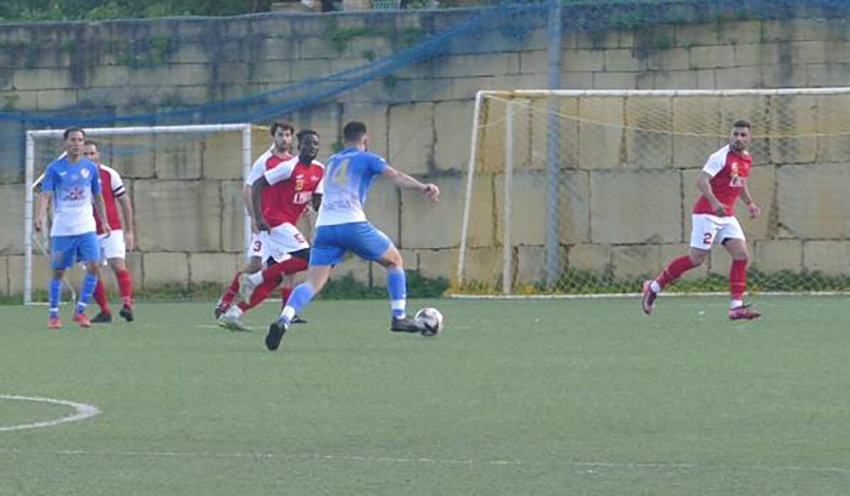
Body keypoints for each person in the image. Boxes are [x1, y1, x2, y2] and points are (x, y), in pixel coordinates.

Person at [264, 121, 441, 351]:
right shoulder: (369, 158)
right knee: (394, 261)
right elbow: (396, 176)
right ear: (365, 140)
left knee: (313, 283)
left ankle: (284, 319)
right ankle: (399, 317)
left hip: (324, 228)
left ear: (344, 140)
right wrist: (422, 187)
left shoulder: (332, 161)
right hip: (352, 224)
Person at [642, 120, 762, 320]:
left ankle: (736, 307)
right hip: (707, 213)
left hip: (727, 216)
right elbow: (701, 181)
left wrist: (749, 203)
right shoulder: (720, 157)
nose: (738, 138)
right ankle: (653, 287)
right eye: (735, 134)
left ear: (749, 138)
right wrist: (715, 203)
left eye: (743, 135)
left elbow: (739, 183)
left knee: (741, 255)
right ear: (730, 135)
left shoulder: (746, 159)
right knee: (696, 259)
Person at [218, 129, 324, 331]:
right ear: (299, 146)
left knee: (274, 278)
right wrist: (258, 217)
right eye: (308, 143)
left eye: (315, 144)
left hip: (287, 224)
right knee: (310, 258)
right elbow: (258, 184)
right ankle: (252, 280)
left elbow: (318, 201)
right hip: (274, 221)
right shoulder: (288, 167)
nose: (312, 148)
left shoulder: (319, 170)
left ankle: (234, 313)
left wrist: (322, 203)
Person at [214, 121, 297, 320]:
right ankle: (226, 300)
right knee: (255, 264)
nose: (284, 139)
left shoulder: (293, 162)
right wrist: (254, 217)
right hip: (265, 222)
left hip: (284, 225)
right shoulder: (264, 161)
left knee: (289, 268)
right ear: (273, 137)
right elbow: (248, 189)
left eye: (287, 135)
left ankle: (287, 312)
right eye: (280, 135)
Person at [35, 127, 111, 329]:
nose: (76, 144)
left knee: (94, 265)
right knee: (58, 272)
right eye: (73, 140)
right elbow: (46, 195)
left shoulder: (91, 168)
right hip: (63, 229)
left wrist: (104, 221)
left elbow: (97, 196)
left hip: (86, 227)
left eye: (80, 140)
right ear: (65, 143)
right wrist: (39, 216)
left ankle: (80, 311)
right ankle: (53, 315)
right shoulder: (54, 168)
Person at [80, 140, 136, 323]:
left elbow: (124, 202)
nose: (89, 157)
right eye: (85, 154)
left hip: (112, 229)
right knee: (92, 270)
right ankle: (105, 311)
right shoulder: (73, 176)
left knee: (118, 264)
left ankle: (127, 305)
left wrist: (129, 231)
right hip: (86, 231)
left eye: (92, 153)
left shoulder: (109, 174)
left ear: (98, 155)